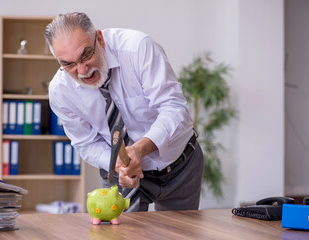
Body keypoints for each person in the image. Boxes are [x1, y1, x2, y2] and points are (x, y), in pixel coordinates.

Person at [45, 12, 204, 212]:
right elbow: (85, 143)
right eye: (68, 64)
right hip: (122, 174)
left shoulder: (138, 48)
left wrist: (139, 150)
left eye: (86, 55)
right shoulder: (61, 91)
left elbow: (173, 108)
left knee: (180, 235)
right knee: (120, 234)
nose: (82, 70)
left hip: (180, 166)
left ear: (100, 39)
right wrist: (121, 163)